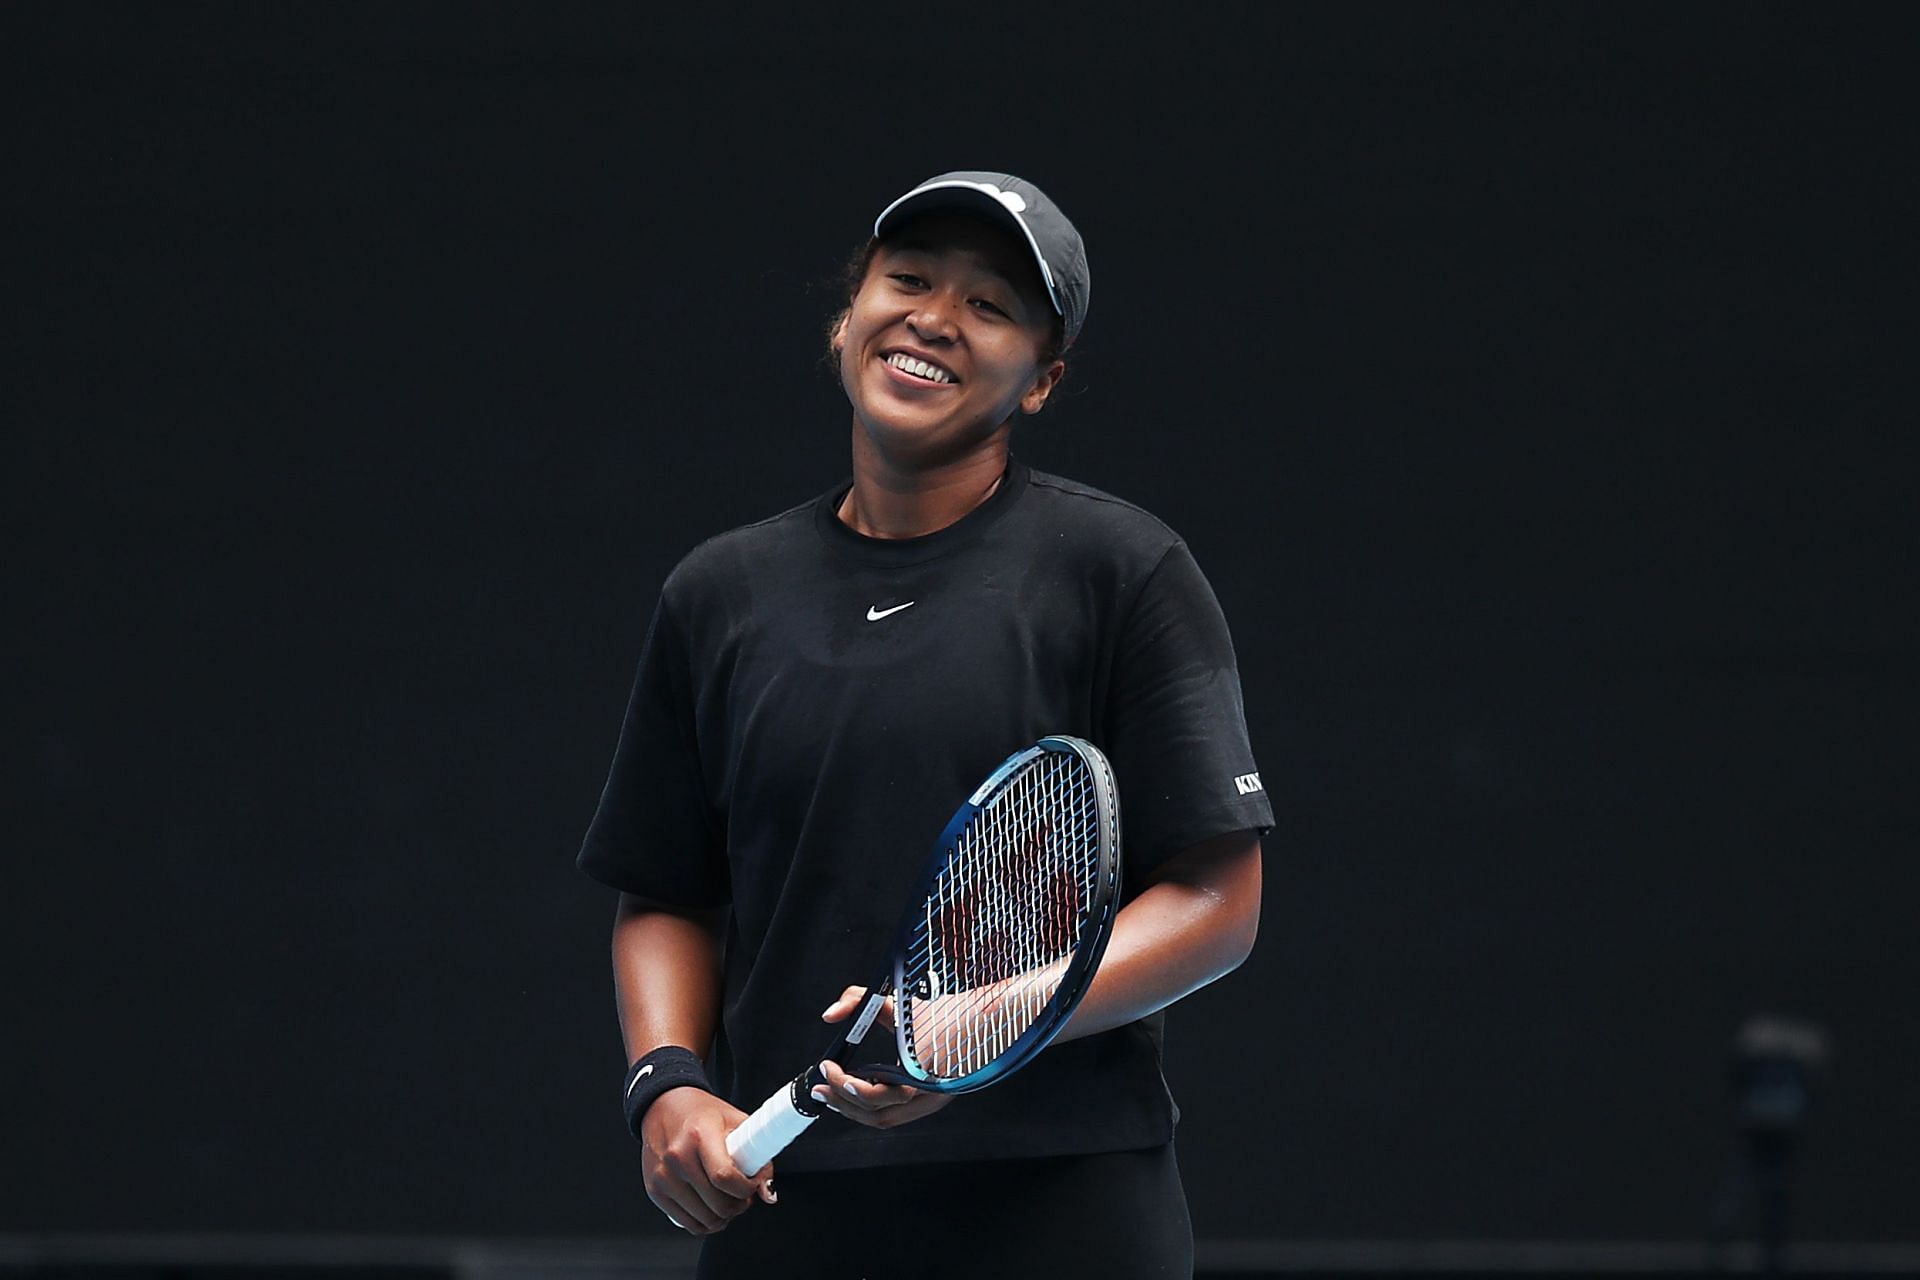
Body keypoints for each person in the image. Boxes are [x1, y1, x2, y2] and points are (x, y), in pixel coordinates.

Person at [579, 171, 1273, 1278]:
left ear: (1041, 382)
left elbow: (1217, 903)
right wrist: (666, 1080)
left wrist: (976, 1026)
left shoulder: (1122, 569)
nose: (934, 319)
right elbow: (667, 887)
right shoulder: (719, 590)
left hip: (1062, 1205)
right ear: (848, 313)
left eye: (991, 306)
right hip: (789, 1203)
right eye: (908, 279)